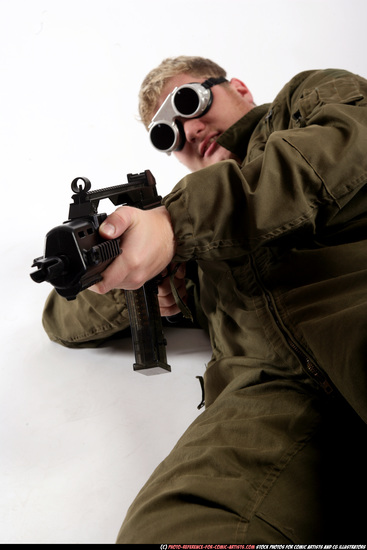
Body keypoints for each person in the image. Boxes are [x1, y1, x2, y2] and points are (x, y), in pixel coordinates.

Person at [42, 56, 367, 543]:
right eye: (167, 133)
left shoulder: (306, 99)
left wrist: (177, 222)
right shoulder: (187, 250)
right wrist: (140, 273)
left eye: (190, 102)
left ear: (238, 87)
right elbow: (60, 320)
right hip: (265, 396)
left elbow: (346, 149)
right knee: (171, 530)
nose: (189, 129)